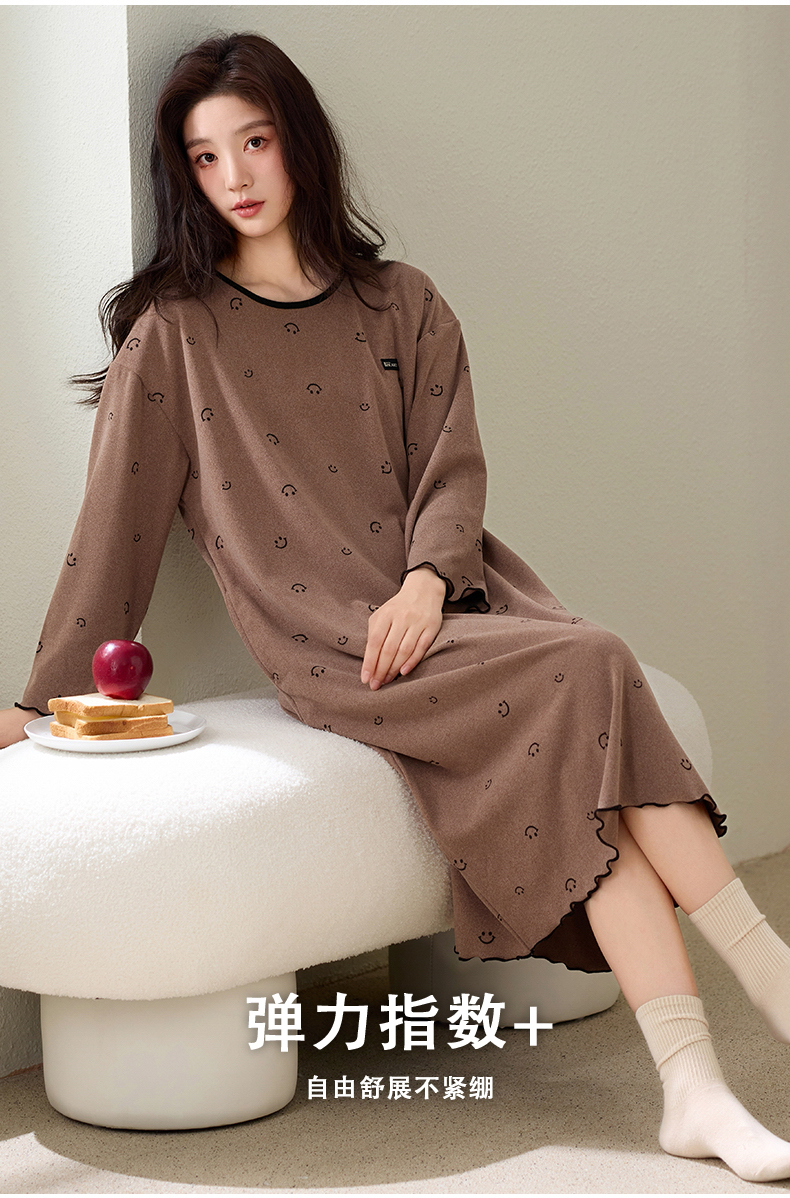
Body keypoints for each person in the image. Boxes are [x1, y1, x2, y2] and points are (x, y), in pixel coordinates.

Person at [2, 31, 789, 1181]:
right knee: (596, 660)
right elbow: (111, 533)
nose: (235, 176)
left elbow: (452, 471)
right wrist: (43, 703)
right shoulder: (173, 337)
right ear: (186, 177)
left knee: (594, 747)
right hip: (332, 643)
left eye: (254, 142)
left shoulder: (403, 305)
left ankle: (694, 1089)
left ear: (299, 143)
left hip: (457, 599)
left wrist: (427, 579)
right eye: (206, 157)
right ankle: (768, 977)